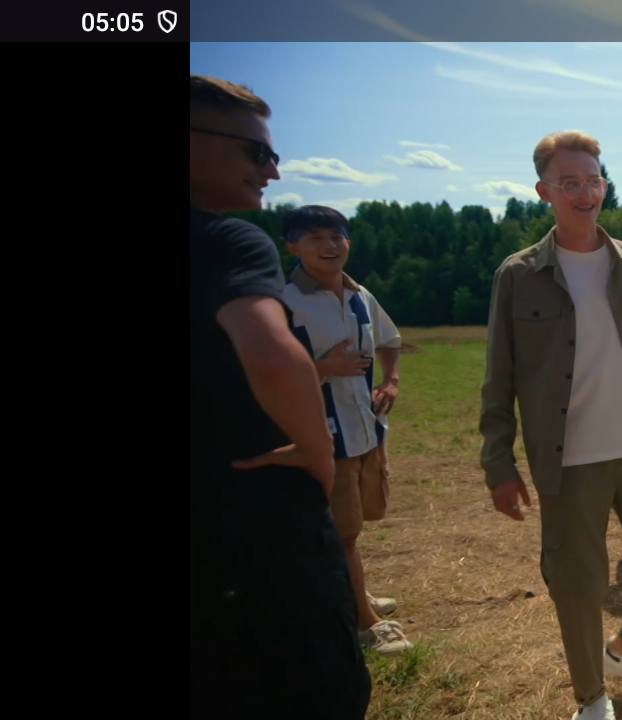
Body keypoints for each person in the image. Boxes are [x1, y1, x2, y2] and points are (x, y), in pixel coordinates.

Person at [479, 130, 622, 720]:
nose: (585, 192)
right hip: (568, 460)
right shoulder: (518, 274)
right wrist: (497, 462)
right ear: (544, 191)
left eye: (593, 180)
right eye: (569, 182)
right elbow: (498, 375)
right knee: (577, 586)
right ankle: (591, 699)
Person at [190, 74, 371, 719]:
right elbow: (272, 353)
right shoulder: (224, 240)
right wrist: (316, 452)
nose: (272, 170)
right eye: (257, 151)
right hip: (251, 516)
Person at [280, 204, 413, 655]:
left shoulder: (360, 295)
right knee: (342, 532)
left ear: (348, 243)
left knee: (356, 523)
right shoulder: (282, 302)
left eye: (336, 237)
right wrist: (323, 367)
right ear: (292, 247)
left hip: (365, 430)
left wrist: (390, 381)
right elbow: (264, 371)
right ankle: (363, 621)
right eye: (315, 238)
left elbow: (390, 340)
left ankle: (354, 591)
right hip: (323, 435)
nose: (329, 246)